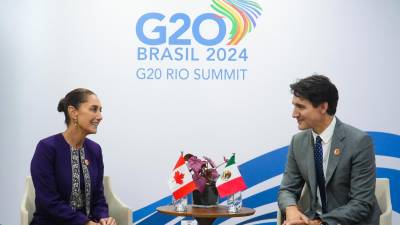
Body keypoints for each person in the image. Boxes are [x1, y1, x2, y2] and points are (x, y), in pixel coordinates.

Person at [278, 75, 381, 225]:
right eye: (294, 106)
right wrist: (291, 209)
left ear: (323, 107)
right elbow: (287, 189)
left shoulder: (359, 142)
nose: (294, 114)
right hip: (313, 218)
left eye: (300, 107)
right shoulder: (298, 142)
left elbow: (361, 204)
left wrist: (319, 223)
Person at [30, 88, 117, 225]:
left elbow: (98, 197)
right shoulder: (47, 148)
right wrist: (85, 222)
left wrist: (103, 217)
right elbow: (48, 201)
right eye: (93, 109)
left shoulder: (95, 150)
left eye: (101, 110)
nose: (100, 116)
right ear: (73, 112)